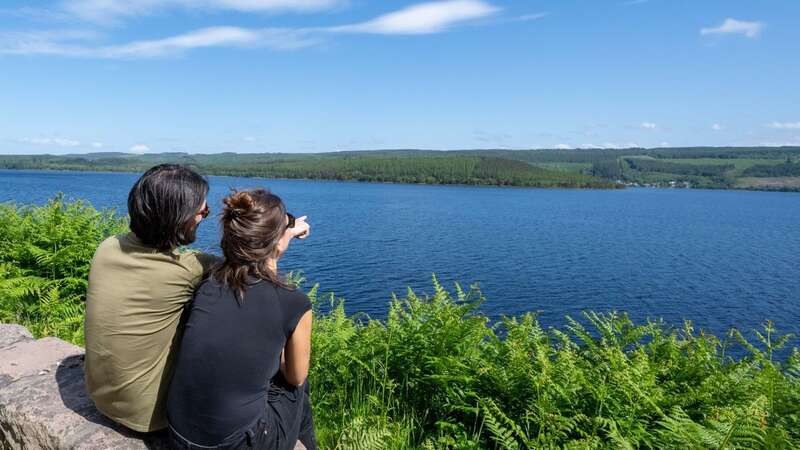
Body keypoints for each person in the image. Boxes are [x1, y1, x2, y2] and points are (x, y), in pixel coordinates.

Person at [166, 188, 316, 450]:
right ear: (278, 241)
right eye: (286, 223)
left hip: (178, 433)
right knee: (299, 386)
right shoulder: (294, 302)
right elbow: (295, 378)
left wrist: (286, 231)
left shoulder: (208, 282)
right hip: (233, 444)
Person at [84, 164, 217, 433]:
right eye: (203, 211)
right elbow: (251, 269)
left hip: (100, 397)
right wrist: (284, 231)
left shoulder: (108, 246)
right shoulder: (190, 268)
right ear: (179, 218)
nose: (204, 216)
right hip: (149, 416)